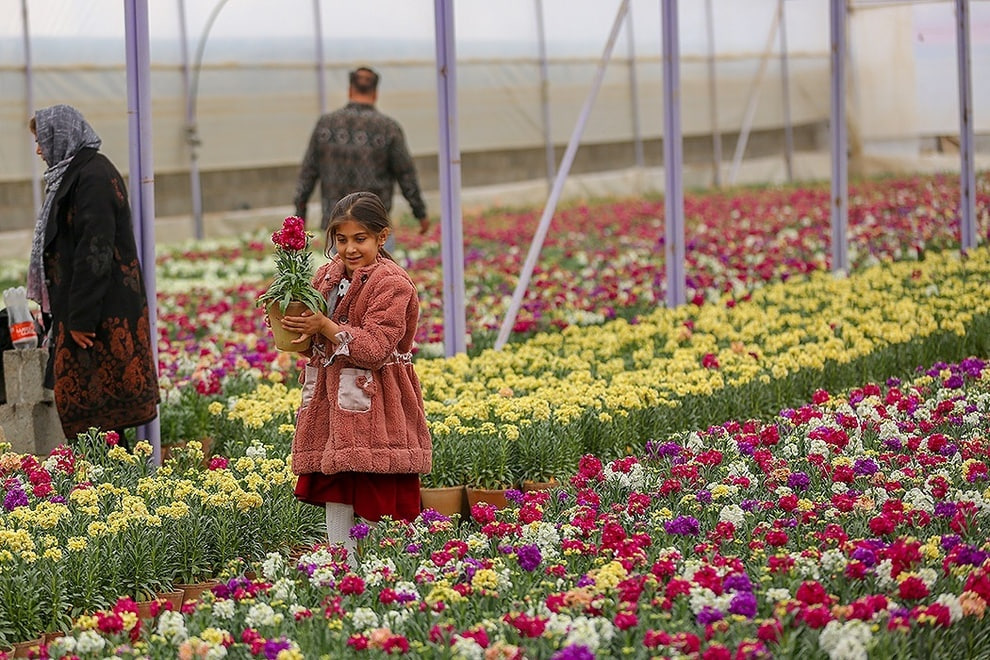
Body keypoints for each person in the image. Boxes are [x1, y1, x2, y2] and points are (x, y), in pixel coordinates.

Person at [283, 191, 432, 561]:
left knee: (374, 489)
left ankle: (388, 570)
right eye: (342, 239)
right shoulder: (325, 277)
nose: (350, 249)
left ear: (382, 238)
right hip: (332, 401)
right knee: (337, 485)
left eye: (360, 239)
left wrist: (327, 326)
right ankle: (342, 570)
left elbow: (376, 349)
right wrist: (299, 329)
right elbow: (313, 344)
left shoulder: (392, 283)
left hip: (376, 399)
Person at [26, 104, 159, 444]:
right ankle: (114, 485)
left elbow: (95, 251)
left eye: (43, 140)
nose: (39, 149)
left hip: (101, 316)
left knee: (97, 412)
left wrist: (82, 319)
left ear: (63, 137)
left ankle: (118, 486)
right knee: (95, 413)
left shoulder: (93, 177)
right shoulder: (76, 175)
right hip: (89, 311)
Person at [292, 66, 430, 251]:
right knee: (380, 279)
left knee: (341, 279)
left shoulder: (326, 125)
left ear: (350, 90)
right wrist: (420, 213)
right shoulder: (388, 128)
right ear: (375, 93)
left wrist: (300, 216)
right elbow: (406, 176)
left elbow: (307, 174)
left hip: (338, 230)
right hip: (374, 228)